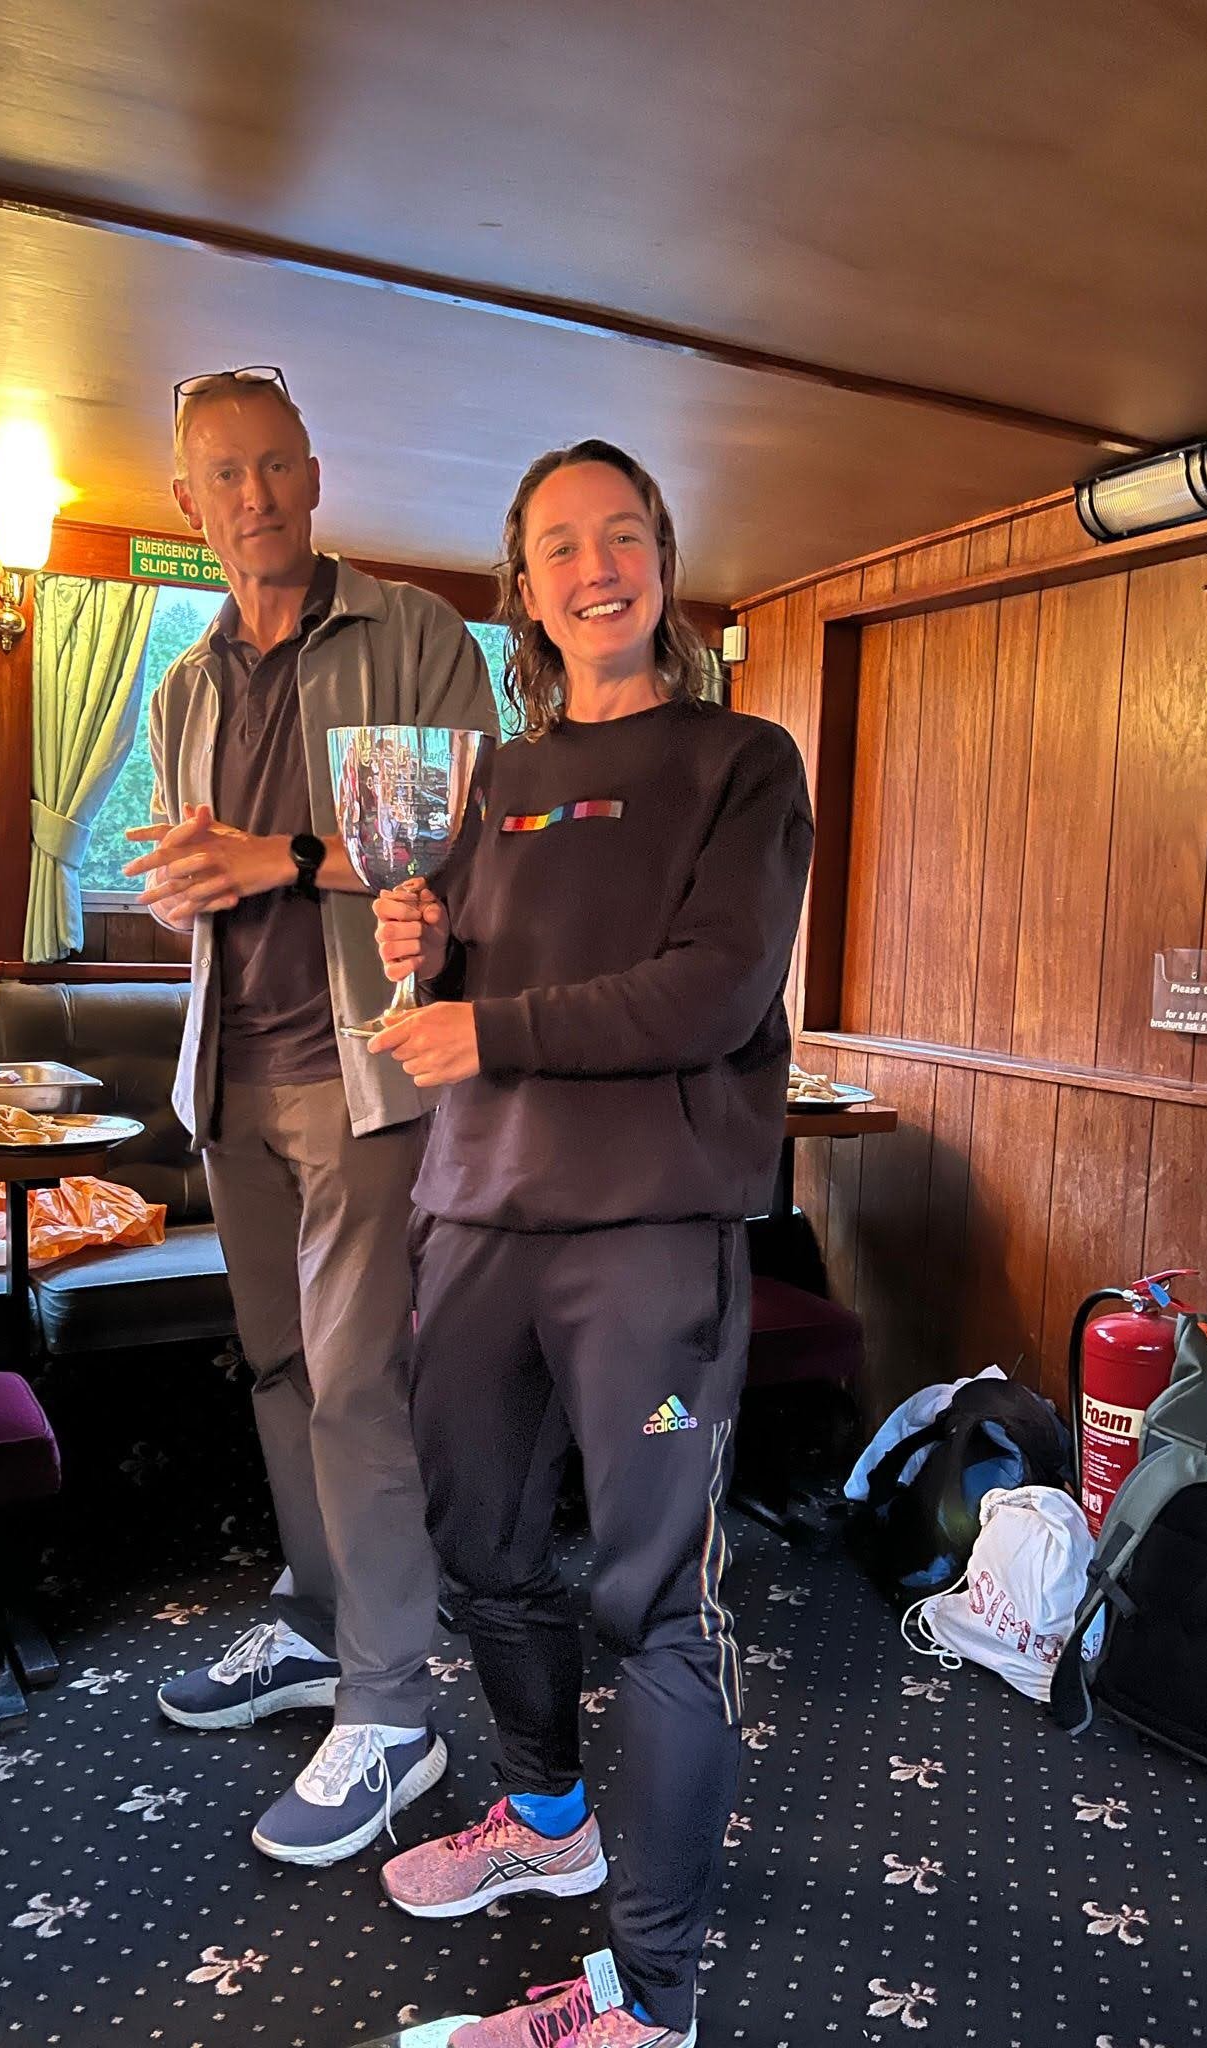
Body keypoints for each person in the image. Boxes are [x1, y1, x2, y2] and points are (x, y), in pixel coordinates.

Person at [367, 439, 812, 2044]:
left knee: (653, 1603)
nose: (595, 566)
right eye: (561, 545)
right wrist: (425, 947)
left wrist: (485, 1023)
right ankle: (546, 1821)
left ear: (664, 566)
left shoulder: (741, 760)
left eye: (623, 536)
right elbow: (460, 990)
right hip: (474, 1213)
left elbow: (716, 992)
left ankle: (653, 2002)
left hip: (647, 1238)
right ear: (526, 587)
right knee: (484, 1552)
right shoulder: (491, 779)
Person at [123, 366, 498, 1867]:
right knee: (279, 1369)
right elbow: (195, 882)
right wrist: (187, 881)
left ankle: (394, 1707)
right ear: (186, 502)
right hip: (229, 1071)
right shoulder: (184, 686)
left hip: (363, 1071)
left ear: (316, 476)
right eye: (223, 474)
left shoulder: (405, 632)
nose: (254, 495)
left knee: (353, 1384)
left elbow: (441, 844)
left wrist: (271, 854)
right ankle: (320, 1617)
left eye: (275, 464)